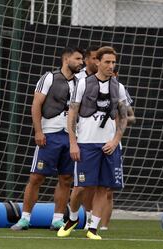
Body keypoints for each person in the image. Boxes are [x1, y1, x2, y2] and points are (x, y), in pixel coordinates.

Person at [57, 46, 128, 240]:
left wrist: (115, 141)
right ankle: (72, 218)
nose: (111, 66)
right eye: (107, 62)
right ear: (97, 62)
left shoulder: (118, 87)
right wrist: (73, 143)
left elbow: (123, 117)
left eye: (113, 62)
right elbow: (72, 113)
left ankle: (93, 228)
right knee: (80, 187)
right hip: (86, 143)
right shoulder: (83, 84)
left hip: (108, 145)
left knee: (104, 188)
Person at [11, 47, 84, 231]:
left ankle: (58, 219)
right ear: (66, 59)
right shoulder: (49, 77)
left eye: (82, 59)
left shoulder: (80, 83)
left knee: (66, 178)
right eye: (78, 59)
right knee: (36, 177)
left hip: (71, 137)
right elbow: (36, 104)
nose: (81, 62)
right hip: (49, 134)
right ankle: (25, 218)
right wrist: (38, 131)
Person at [99, 70, 136, 230]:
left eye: (114, 70)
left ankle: (104, 227)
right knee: (87, 187)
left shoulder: (119, 89)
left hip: (112, 144)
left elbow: (132, 116)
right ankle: (85, 221)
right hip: (91, 142)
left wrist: (119, 117)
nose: (111, 72)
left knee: (108, 189)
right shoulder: (90, 85)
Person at [74, 45, 100, 230]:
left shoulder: (111, 81)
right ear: (87, 60)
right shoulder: (78, 79)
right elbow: (72, 109)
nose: (98, 62)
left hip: (97, 139)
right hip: (77, 137)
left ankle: (91, 221)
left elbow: (126, 111)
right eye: (95, 58)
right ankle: (68, 216)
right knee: (76, 183)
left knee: (93, 184)